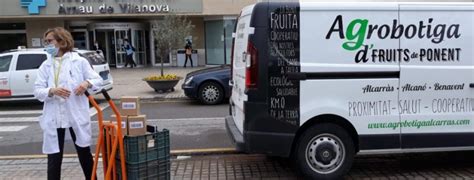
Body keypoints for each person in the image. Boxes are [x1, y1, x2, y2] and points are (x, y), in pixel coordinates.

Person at [34, 27, 103, 180]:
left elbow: (98, 80)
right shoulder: (46, 65)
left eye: (50, 41)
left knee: (84, 152)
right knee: (54, 157)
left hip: (75, 113)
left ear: (62, 41)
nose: (47, 45)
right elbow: (37, 91)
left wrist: (86, 83)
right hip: (54, 116)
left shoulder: (79, 61)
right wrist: (52, 90)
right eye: (46, 42)